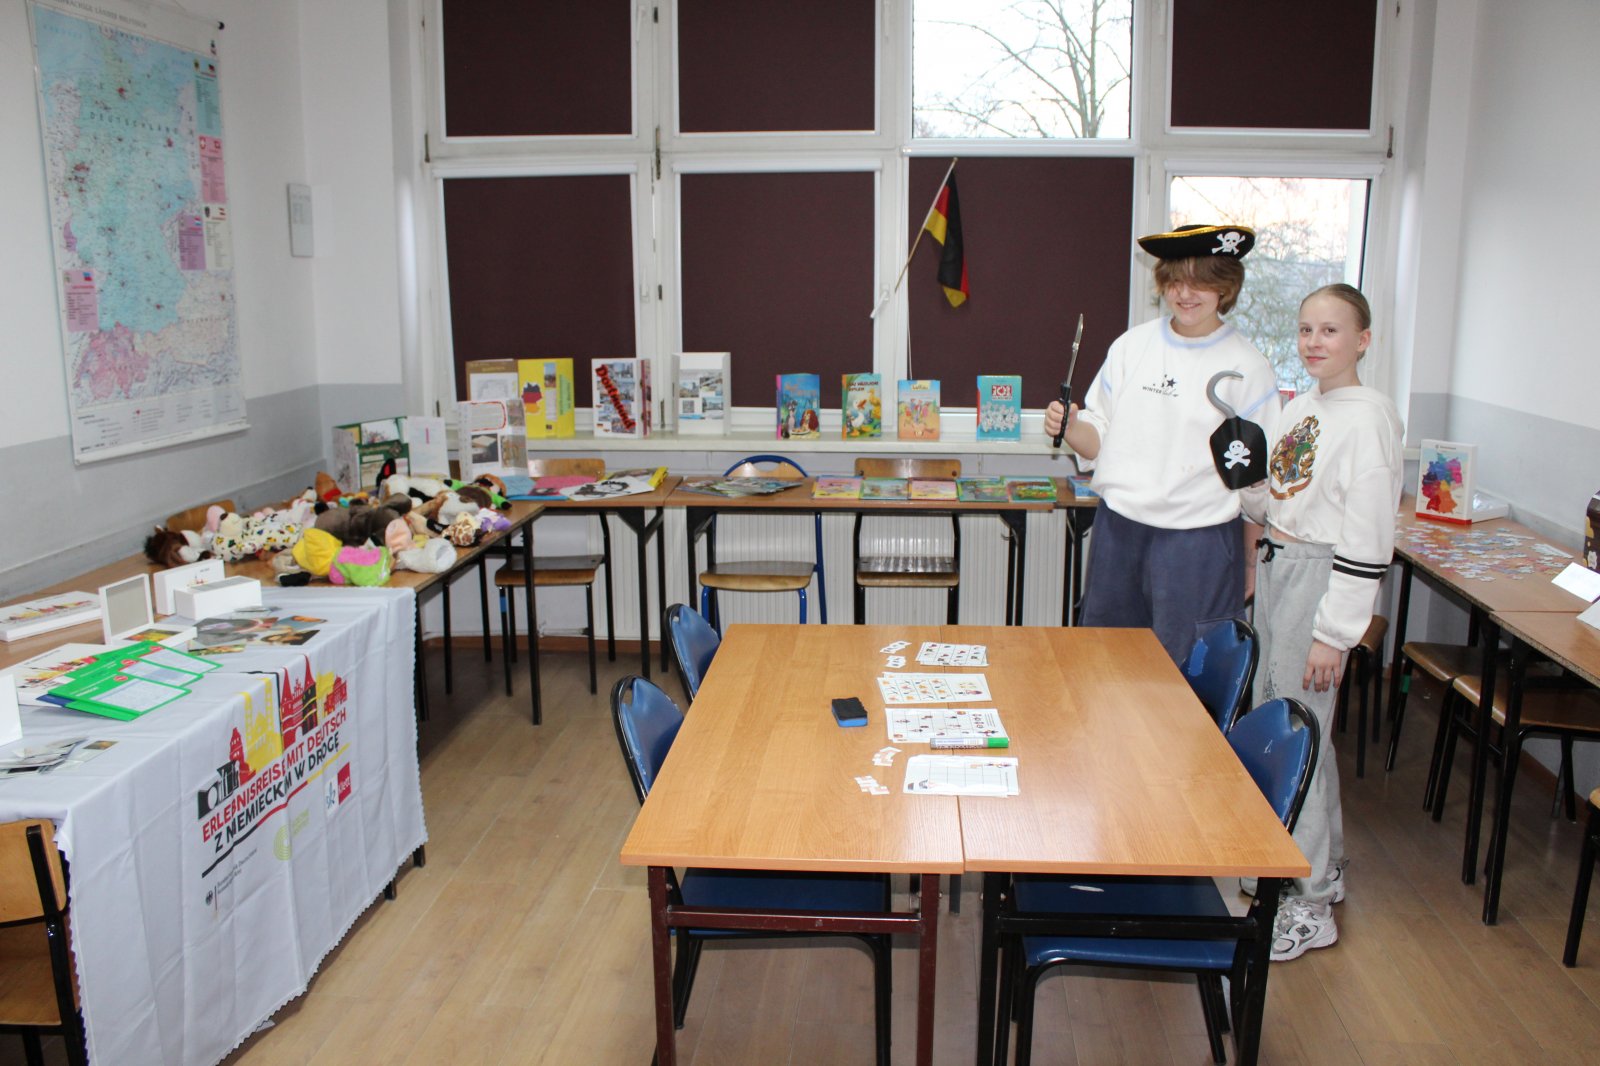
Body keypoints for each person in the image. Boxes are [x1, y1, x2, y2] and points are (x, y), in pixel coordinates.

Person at [1246, 283, 1404, 961]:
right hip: (1281, 565)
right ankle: (1325, 865)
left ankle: (1308, 904)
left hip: (1318, 578)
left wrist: (1334, 634)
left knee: (1295, 734)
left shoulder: (1369, 419)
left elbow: (1368, 539)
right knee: (1305, 725)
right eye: (1306, 329)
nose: (1314, 341)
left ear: (1362, 341)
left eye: (1331, 330)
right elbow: (1276, 502)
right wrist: (1244, 478)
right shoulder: (1303, 406)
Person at [1044, 224, 1281, 664]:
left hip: (1199, 543)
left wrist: (1251, 560)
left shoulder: (1248, 367)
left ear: (1225, 286)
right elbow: (1097, 439)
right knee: (1106, 661)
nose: (1184, 294)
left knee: (1187, 671)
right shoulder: (1132, 347)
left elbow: (1256, 481)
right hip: (1119, 533)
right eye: (1174, 281)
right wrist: (1071, 425)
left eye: (1199, 282)